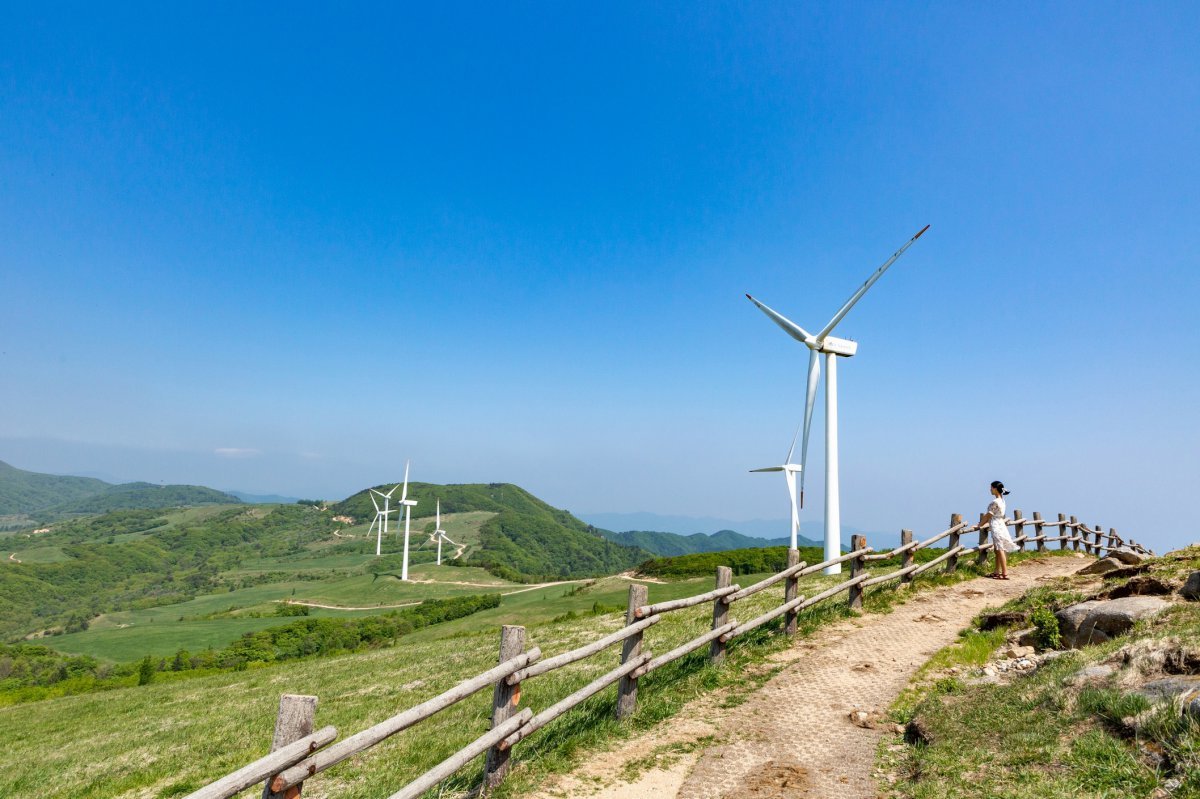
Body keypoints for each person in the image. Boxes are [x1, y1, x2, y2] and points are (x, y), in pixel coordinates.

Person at [981, 480, 1016, 579]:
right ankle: (997, 571)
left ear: (995, 489)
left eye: (991, 487)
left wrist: (980, 524)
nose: (990, 489)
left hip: (996, 525)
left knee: (1000, 548)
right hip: (1001, 523)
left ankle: (1004, 572)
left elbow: (988, 515)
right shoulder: (1002, 500)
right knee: (997, 548)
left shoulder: (995, 502)